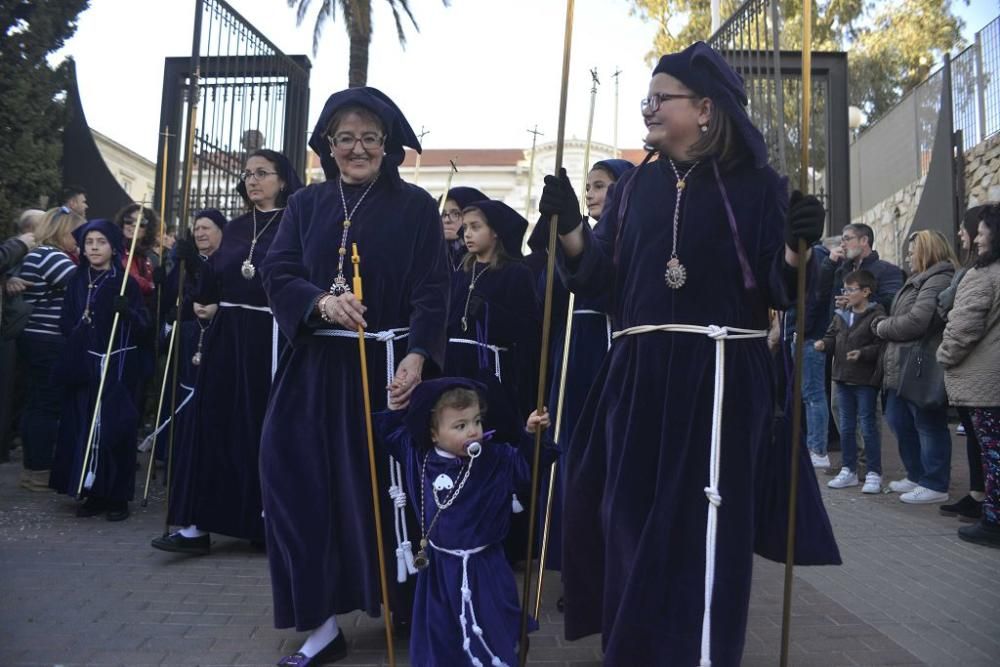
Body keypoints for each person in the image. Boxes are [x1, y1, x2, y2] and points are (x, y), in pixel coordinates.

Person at [541, 42, 838, 665]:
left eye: (660, 98)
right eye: (647, 99)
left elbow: (785, 292)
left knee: (704, 531)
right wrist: (569, 227)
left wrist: (796, 248)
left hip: (722, 380)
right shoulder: (633, 187)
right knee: (624, 520)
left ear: (705, 109)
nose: (648, 109)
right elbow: (599, 283)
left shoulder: (759, 187)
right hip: (639, 379)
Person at [258, 86, 449, 666]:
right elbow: (279, 270)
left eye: (369, 137)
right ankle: (320, 623)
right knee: (291, 478)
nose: (358, 147)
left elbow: (433, 290)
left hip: (387, 371)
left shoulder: (415, 207)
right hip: (314, 367)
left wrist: (417, 357)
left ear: (386, 145)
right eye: (346, 138)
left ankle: (407, 602)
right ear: (328, 146)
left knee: (388, 494)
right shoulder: (306, 206)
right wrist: (319, 303)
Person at [150, 155, 300, 556]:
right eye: (248, 174)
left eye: (262, 174)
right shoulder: (233, 229)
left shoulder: (297, 224)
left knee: (262, 429)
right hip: (227, 337)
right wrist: (194, 274)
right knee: (212, 424)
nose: (252, 180)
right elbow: (212, 285)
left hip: (271, 336)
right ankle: (198, 525)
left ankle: (262, 522)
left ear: (283, 181)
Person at [376, 378, 555, 666]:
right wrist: (395, 407)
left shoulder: (494, 459)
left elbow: (525, 466)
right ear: (433, 434)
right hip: (439, 570)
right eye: (460, 426)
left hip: (485, 568)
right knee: (442, 634)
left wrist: (531, 435)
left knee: (492, 627)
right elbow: (392, 432)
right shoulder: (419, 458)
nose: (473, 431)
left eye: (476, 421)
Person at [530, 157, 633, 576]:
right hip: (573, 356)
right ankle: (576, 561)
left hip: (611, 351)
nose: (591, 193)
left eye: (601, 185)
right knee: (570, 456)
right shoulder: (578, 238)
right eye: (588, 186)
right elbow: (546, 296)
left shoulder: (633, 239)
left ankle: (615, 560)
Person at [49, 219, 149, 520]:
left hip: (116, 366)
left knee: (113, 428)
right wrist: (78, 329)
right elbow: (66, 319)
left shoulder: (124, 282)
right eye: (89, 242)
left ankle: (117, 496)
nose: (94, 247)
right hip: (85, 364)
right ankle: (91, 491)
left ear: (113, 246)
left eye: (100, 242)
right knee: (84, 427)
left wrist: (127, 312)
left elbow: (145, 325)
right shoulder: (78, 280)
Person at [873, 229, 956, 504]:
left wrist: (882, 326)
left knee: (927, 423)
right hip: (901, 364)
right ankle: (916, 474)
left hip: (921, 366)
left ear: (927, 251)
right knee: (899, 420)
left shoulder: (938, 278)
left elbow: (917, 321)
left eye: (912, 252)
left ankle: (935, 482)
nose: (908, 258)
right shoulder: (918, 280)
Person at [140, 209, 226, 460]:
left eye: (206, 228)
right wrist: (166, 276)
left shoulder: (228, 260)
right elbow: (170, 298)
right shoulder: (185, 259)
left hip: (214, 337)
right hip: (186, 336)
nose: (199, 233)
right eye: (196, 228)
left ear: (221, 231)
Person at [938, 206, 1000, 548]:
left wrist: (944, 356)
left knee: (992, 453)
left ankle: (994, 520)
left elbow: (963, 327)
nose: (974, 238)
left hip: (984, 382)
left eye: (980, 232)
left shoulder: (984, 275)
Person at [446, 199, 540, 420]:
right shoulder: (461, 273)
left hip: (492, 369)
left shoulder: (516, 273)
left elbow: (528, 329)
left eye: (476, 227)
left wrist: (489, 311)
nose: (467, 234)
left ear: (495, 231)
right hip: (455, 366)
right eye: (466, 227)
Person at [15, 207, 83, 491]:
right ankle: (41, 469)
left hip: (33, 338)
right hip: (48, 339)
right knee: (46, 405)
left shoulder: (37, 254)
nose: (82, 241)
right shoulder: (53, 256)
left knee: (35, 404)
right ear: (64, 232)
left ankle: (32, 468)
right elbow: (82, 286)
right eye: (78, 234)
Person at [815, 270, 886, 493]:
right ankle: (849, 469)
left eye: (851, 290)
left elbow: (880, 345)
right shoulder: (841, 314)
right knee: (845, 426)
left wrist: (862, 354)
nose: (846, 294)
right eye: (844, 289)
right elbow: (831, 336)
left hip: (864, 380)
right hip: (842, 377)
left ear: (866, 292)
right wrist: (823, 345)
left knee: (867, 425)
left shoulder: (876, 315)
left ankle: (874, 472)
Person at [820, 222, 903, 313]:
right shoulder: (841, 270)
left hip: (869, 326)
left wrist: (858, 301)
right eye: (842, 241)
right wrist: (830, 263)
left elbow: (891, 302)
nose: (842, 245)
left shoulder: (887, 270)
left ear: (864, 240)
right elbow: (821, 296)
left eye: (847, 239)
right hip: (839, 326)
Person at [113, 204, 159, 298]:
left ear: (148, 229)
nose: (134, 225)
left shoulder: (146, 257)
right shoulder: (116, 250)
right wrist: (152, 286)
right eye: (129, 221)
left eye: (141, 223)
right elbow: (133, 281)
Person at [441, 186, 488, 272]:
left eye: (456, 214)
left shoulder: (485, 258)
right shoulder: (435, 255)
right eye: (443, 214)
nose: (446, 220)